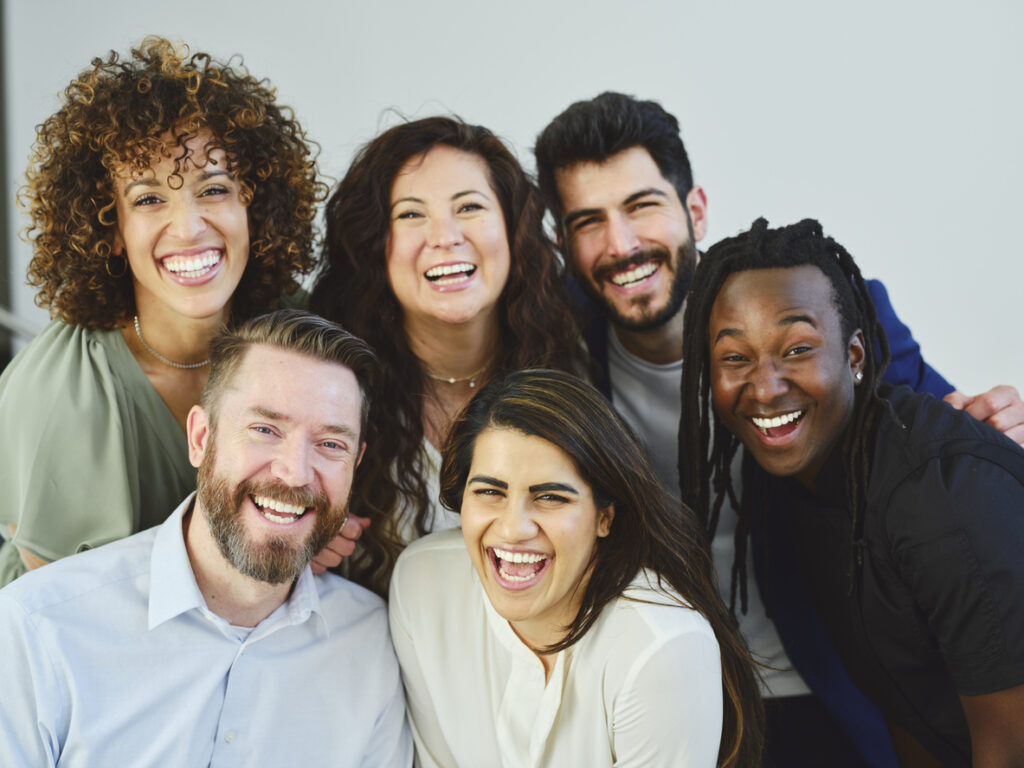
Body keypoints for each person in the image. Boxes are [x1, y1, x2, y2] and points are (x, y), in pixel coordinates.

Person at [533, 91, 1024, 766]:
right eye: (589, 221)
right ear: (563, 242)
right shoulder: (549, 347)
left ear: (694, 210)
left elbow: (937, 445)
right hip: (665, 694)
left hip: (831, 686)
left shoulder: (820, 309)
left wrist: (995, 432)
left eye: (642, 206)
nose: (622, 245)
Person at [679, 218, 1024, 766]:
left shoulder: (941, 498)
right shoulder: (813, 487)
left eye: (796, 349)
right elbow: (910, 714)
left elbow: (1008, 750)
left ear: (856, 356)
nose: (765, 387)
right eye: (736, 358)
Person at [0, 310, 412, 767]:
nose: (294, 473)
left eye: (331, 444)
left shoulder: (371, 642)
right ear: (200, 438)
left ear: (355, 465)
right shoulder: (37, 630)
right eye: (264, 430)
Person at [0, 37, 341, 586]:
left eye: (213, 189)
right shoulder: (59, 395)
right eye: (148, 199)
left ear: (253, 204)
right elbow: (73, 615)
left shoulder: (303, 332)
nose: (188, 228)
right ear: (110, 229)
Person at [390, 369, 763, 767]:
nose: (513, 528)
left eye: (550, 497)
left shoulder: (661, 646)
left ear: (605, 516)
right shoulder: (422, 582)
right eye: (489, 492)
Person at [309, 117, 586, 594]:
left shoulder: (574, 363)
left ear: (513, 229)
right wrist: (296, 536)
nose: (445, 236)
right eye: (411, 215)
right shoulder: (328, 387)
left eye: (470, 206)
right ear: (375, 246)